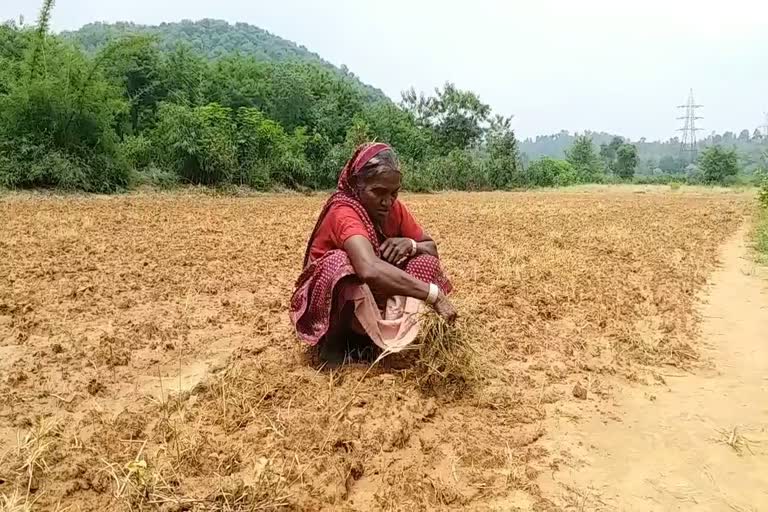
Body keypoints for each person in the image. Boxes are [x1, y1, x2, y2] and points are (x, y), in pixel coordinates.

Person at [289, 142, 457, 364]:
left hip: (375, 299)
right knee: (341, 264)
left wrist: (410, 245)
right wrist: (432, 295)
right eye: (378, 192)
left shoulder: (393, 209)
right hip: (333, 306)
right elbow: (368, 268)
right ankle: (335, 348)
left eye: (394, 193)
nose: (387, 202)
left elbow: (431, 249)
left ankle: (379, 343)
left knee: (424, 262)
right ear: (357, 184)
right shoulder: (344, 212)